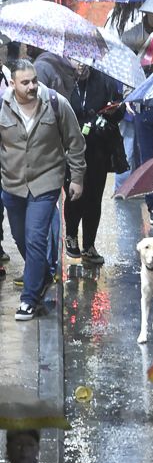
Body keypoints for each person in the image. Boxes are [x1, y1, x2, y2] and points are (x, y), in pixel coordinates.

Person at [0, 60, 85, 321]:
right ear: (12, 83)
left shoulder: (56, 103)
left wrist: (77, 178)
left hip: (46, 182)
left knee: (36, 237)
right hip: (12, 184)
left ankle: (29, 299)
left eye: (34, 80)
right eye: (25, 82)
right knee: (20, 238)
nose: (32, 86)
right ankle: (45, 274)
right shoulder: (2, 107)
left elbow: (75, 142)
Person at [63, 64, 126, 266]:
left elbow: (119, 109)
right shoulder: (63, 79)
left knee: (94, 197)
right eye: (75, 60)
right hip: (71, 147)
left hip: (98, 147)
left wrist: (114, 111)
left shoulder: (104, 79)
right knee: (74, 195)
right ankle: (71, 235)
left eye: (84, 60)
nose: (80, 64)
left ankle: (89, 245)